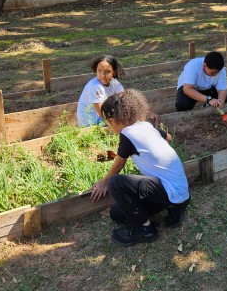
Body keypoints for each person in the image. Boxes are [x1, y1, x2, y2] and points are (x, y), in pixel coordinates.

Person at [90, 90, 190, 246]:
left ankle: (146, 229)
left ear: (113, 121)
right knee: (116, 213)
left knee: (115, 183)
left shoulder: (127, 134)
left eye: (108, 123)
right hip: (181, 191)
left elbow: (118, 164)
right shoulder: (146, 126)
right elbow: (169, 138)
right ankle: (174, 207)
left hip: (169, 190)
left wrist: (104, 182)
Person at [77, 55, 125, 126]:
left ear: (114, 72)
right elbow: (102, 113)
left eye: (107, 71)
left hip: (104, 116)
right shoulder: (95, 86)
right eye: (99, 71)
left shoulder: (114, 83)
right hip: (90, 122)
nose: (103, 75)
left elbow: (124, 98)